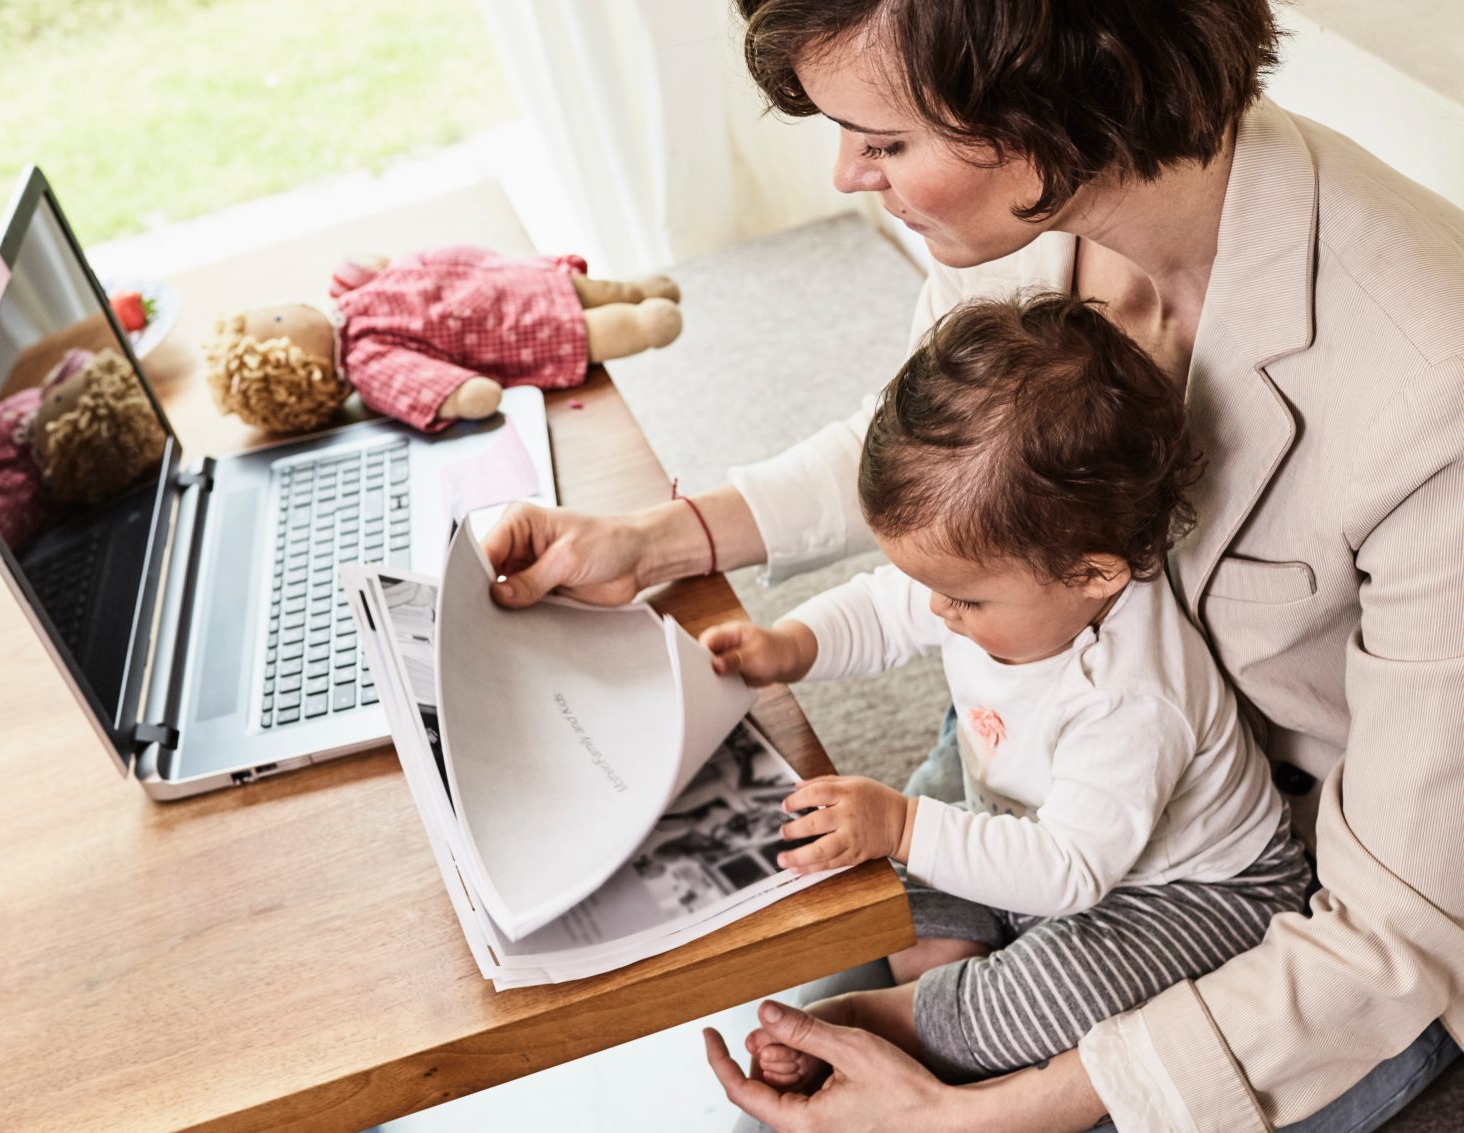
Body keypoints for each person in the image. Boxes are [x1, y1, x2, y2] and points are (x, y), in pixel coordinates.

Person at [482, 0, 1464, 1128]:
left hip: (1288, 894)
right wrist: (659, 538)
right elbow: (939, 459)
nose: (848, 172)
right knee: (813, 959)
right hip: (1054, 712)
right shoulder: (1038, 218)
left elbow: (1399, 934)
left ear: (1050, 107)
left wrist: (974, 1112)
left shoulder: (1427, 397)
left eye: (885, 141)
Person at [700, 291, 1309, 1091]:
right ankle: (932, 970)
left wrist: (905, 824)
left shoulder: (1133, 696)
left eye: (966, 600)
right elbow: (887, 607)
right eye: (934, 587)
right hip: (1026, 820)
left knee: (1054, 985)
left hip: (1184, 889)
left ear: (1094, 573)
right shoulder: (1010, 582)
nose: (939, 613)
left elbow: (1067, 873)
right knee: (906, 882)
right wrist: (791, 644)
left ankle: (886, 1021)